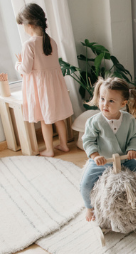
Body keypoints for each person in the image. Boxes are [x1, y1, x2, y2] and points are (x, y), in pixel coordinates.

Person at [80, 77, 136, 222]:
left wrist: (132, 149)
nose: (104, 104)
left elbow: (135, 137)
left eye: (111, 101)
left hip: (124, 159)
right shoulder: (94, 121)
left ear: (123, 103)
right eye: (102, 99)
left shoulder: (129, 120)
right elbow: (88, 140)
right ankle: (89, 208)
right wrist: (95, 155)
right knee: (85, 184)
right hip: (102, 160)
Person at [15, 3, 73, 157]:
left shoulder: (29, 45)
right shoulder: (51, 41)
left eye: (23, 26)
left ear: (31, 25)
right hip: (55, 84)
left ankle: (49, 149)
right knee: (58, 116)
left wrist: (17, 64)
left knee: (45, 119)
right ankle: (64, 144)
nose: (24, 30)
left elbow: (26, 69)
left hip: (41, 87)